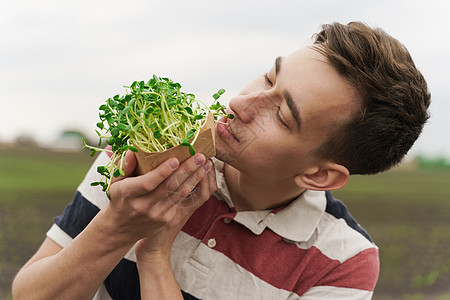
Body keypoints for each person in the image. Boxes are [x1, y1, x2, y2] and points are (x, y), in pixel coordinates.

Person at [12, 21, 430, 299]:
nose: (241, 102)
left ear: (319, 174)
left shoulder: (343, 263)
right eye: (269, 77)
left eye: (282, 116)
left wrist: (155, 255)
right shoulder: (145, 150)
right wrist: (117, 225)